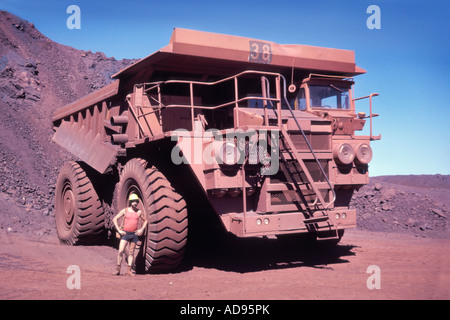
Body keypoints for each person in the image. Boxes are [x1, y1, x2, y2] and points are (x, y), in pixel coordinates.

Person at [112, 193, 148, 276]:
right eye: (133, 201)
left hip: (134, 234)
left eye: (136, 201)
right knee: (120, 251)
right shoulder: (125, 210)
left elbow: (146, 221)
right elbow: (115, 219)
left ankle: (128, 270)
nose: (135, 203)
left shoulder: (139, 212)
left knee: (131, 253)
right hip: (125, 234)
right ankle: (118, 270)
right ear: (130, 202)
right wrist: (119, 230)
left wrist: (141, 229)